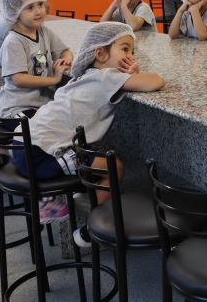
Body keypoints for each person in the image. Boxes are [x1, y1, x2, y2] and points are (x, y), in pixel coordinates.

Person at [10, 22, 164, 231]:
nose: (131, 57)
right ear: (100, 53)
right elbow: (156, 81)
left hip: (22, 145)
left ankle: (62, 194)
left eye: (132, 51)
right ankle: (90, 227)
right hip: (41, 156)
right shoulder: (107, 77)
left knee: (93, 155)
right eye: (125, 49)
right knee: (114, 168)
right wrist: (134, 75)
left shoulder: (84, 76)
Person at [0, 0, 73, 119]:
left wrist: (65, 61)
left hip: (43, 104)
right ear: (15, 12)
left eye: (41, 4)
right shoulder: (13, 42)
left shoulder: (43, 31)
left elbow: (65, 51)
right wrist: (54, 79)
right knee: (42, 129)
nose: (38, 11)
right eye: (30, 7)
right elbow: (19, 79)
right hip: (18, 107)